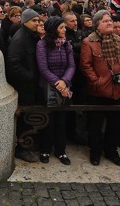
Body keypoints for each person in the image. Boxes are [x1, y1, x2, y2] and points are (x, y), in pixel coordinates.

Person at [79, 10, 120, 166]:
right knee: (95, 126)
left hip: (119, 90)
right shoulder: (88, 42)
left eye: (110, 20)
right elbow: (86, 66)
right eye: (105, 21)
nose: (110, 23)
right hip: (98, 92)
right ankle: (95, 152)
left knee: (116, 125)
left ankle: (111, 151)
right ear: (97, 24)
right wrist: (97, 82)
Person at [36, 17, 75, 165]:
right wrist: (57, 84)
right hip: (47, 87)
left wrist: (64, 81)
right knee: (48, 121)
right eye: (62, 28)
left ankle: (61, 150)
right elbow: (43, 68)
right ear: (53, 29)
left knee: (61, 121)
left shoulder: (67, 45)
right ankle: (45, 149)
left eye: (65, 27)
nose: (65, 30)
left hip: (64, 86)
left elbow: (71, 66)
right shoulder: (42, 44)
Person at [6, 8, 42, 163]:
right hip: (24, 86)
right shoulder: (19, 39)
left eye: (38, 20)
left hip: (31, 85)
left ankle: (28, 143)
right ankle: (21, 148)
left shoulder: (32, 36)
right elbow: (14, 64)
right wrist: (31, 77)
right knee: (22, 120)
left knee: (29, 118)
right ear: (26, 22)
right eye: (34, 20)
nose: (38, 23)